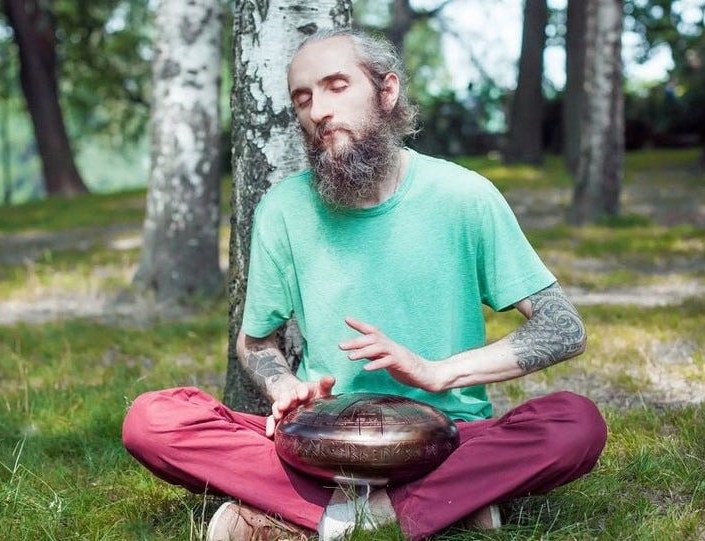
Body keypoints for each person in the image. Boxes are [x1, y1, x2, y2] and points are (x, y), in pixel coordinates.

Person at [122, 28, 607, 541]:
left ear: (387, 91)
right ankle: (443, 507)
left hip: (447, 438)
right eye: (303, 98)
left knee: (575, 424)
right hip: (320, 440)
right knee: (152, 421)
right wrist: (283, 385)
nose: (318, 111)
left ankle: (321, 516)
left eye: (336, 86)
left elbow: (563, 326)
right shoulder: (284, 209)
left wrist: (436, 373)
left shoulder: (466, 196)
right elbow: (257, 339)